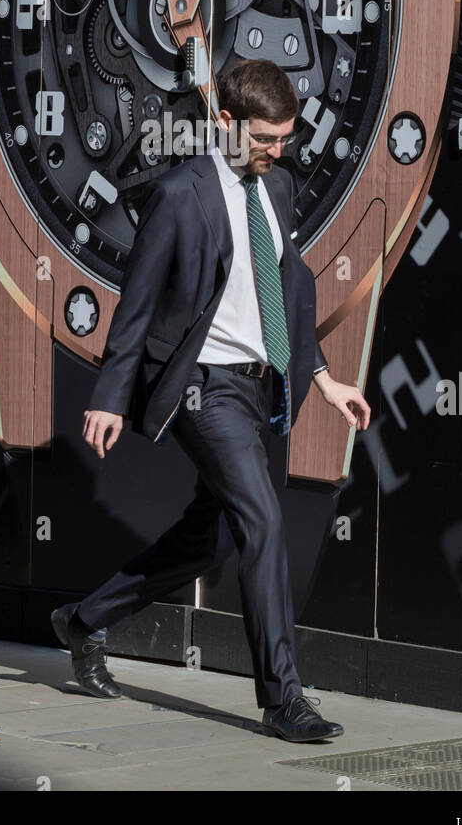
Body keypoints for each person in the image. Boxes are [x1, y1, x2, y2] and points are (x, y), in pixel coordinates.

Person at [52, 59, 371, 743]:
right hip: (203, 386)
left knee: (210, 540)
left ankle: (84, 620)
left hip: (263, 386)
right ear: (225, 122)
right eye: (265, 138)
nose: (278, 151)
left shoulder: (277, 188)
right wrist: (110, 396)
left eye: (285, 138)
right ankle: (284, 699)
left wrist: (322, 377)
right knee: (262, 519)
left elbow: (294, 283)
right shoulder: (180, 193)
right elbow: (136, 302)